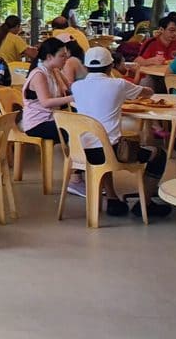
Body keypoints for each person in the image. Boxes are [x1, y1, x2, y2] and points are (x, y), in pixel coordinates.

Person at [68, 47, 164, 217]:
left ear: (86, 66)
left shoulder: (76, 86)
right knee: (158, 154)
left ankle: (112, 198)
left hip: (81, 151)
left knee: (101, 143)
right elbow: (148, 92)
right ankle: (145, 203)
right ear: (110, 66)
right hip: (113, 152)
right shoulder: (118, 84)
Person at [20, 38, 72, 153]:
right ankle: (79, 165)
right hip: (37, 123)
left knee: (81, 123)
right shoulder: (39, 74)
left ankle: (81, 164)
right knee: (74, 130)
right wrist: (72, 98)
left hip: (50, 117)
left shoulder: (54, 71)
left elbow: (69, 87)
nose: (66, 59)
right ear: (49, 57)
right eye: (62, 56)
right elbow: (45, 102)